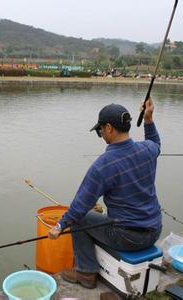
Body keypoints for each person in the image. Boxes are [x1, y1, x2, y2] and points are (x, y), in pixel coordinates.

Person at [48, 98, 162, 289]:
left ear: (109, 128)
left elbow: (80, 206)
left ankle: (85, 272)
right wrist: (149, 119)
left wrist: (60, 225)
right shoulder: (147, 150)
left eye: (100, 129)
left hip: (128, 238)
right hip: (154, 230)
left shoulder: (103, 165)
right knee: (92, 215)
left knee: (79, 219)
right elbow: (155, 142)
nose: (100, 133)